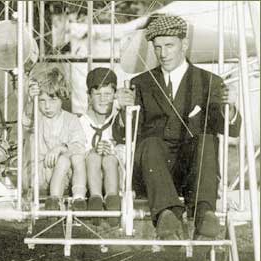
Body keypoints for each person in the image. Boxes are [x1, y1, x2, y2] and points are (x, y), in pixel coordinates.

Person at [113, 14, 241, 240]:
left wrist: (229, 107)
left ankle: (204, 215)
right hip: (154, 172)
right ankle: (167, 217)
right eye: (158, 47)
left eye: (169, 46)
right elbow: (123, 135)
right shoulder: (139, 84)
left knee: (206, 139)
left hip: (194, 173)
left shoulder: (209, 82)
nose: (163, 54)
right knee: (150, 143)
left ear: (184, 44)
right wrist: (124, 112)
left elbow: (229, 128)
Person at [22, 67, 87, 211]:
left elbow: (80, 145)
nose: (47, 106)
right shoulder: (36, 117)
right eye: (42, 101)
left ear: (62, 97)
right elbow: (26, 122)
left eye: (52, 100)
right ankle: (55, 200)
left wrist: (61, 148)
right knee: (65, 159)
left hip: (65, 176)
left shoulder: (71, 119)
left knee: (71, 158)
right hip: (38, 174)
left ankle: (77, 199)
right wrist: (31, 101)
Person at [77, 67, 125, 225]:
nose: (103, 99)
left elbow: (128, 146)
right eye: (97, 94)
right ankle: (95, 200)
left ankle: (112, 200)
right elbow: (76, 148)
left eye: (108, 94)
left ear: (115, 95)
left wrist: (113, 149)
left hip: (115, 175)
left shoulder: (119, 120)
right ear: (89, 96)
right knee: (92, 156)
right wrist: (92, 151)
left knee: (111, 157)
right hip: (89, 176)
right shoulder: (80, 122)